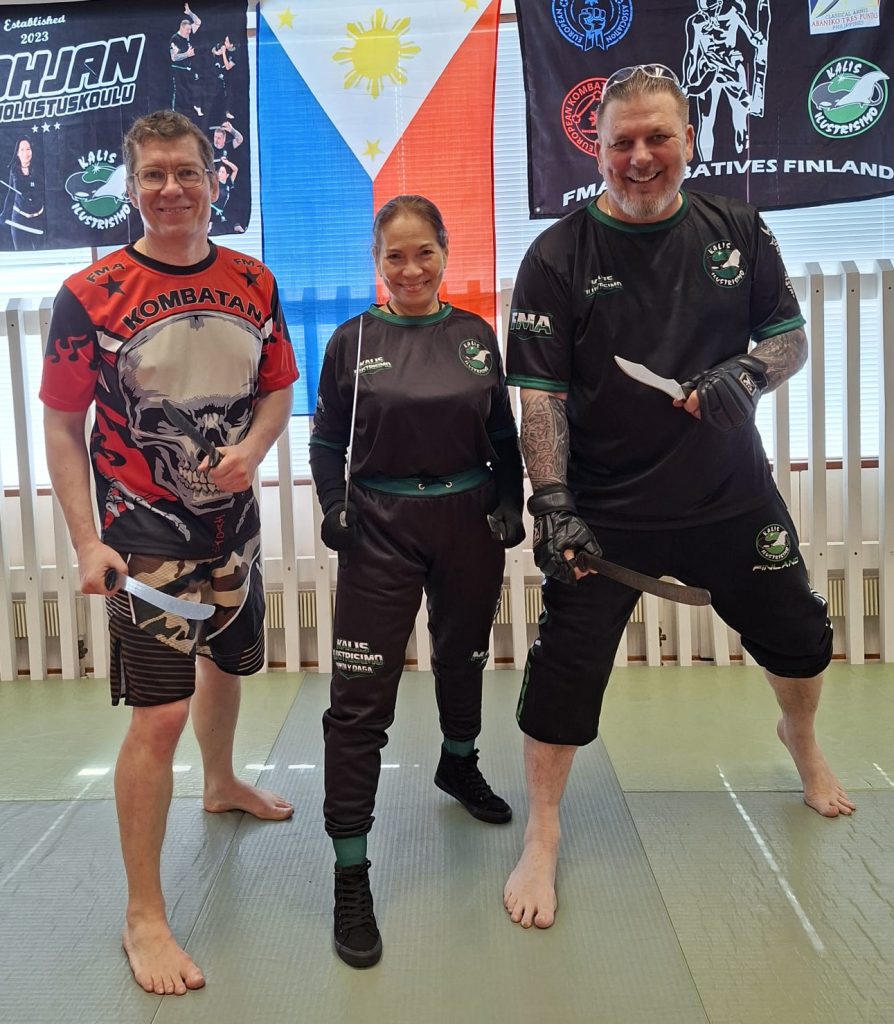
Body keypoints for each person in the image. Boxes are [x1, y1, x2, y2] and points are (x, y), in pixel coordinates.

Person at [502, 64, 855, 931]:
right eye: (621, 140)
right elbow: (541, 399)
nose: (640, 156)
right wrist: (552, 502)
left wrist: (748, 374)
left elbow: (789, 339)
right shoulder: (556, 256)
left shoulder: (737, 228)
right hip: (606, 509)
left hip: (730, 494)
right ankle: (543, 830)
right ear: (597, 150)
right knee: (563, 675)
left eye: (658, 136)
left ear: (690, 140)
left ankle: (801, 742)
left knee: (801, 642)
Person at [40, 110, 298, 995]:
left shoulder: (254, 281)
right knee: (158, 717)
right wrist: (87, 540)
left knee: (229, 663)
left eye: (186, 171)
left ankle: (220, 782)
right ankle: (143, 915)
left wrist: (253, 448)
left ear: (214, 180)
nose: (171, 189)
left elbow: (276, 390)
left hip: (235, 528)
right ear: (131, 186)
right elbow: (62, 427)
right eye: (152, 174)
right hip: (143, 538)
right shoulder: (91, 294)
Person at [309, 194, 524, 968]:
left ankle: (458, 762)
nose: (410, 270)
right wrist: (333, 505)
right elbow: (326, 440)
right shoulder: (353, 341)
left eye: (423, 253)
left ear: (444, 252)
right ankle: (350, 871)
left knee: (463, 654)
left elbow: (501, 433)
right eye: (394, 257)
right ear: (377, 261)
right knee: (359, 701)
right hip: (380, 526)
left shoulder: (474, 336)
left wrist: (511, 501)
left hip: (468, 519)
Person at [2, 138, 45, 250]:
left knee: (40, 255)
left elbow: (46, 191)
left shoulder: (39, 169)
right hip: (18, 219)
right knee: (20, 254)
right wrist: (4, 214)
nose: (25, 153)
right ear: (17, 153)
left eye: (28, 149)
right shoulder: (14, 170)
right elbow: (11, 192)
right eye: (22, 150)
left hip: (37, 220)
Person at [170, 3, 203, 116]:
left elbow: (198, 22)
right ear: (182, 28)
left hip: (189, 68)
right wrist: (187, 54)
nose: (189, 31)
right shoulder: (175, 39)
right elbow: (174, 57)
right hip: (178, 69)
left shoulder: (189, 34)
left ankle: (195, 108)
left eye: (190, 29)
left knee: (194, 88)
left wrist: (190, 13)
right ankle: (175, 113)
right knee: (180, 92)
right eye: (187, 29)